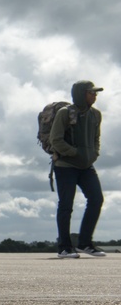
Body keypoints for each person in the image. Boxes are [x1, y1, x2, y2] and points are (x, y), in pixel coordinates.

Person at [50, 80, 107, 258]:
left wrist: (93, 154)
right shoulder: (65, 113)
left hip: (86, 166)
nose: (95, 95)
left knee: (96, 199)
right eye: (91, 92)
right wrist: (74, 153)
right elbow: (55, 139)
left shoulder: (96, 115)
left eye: (96, 93)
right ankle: (64, 247)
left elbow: (96, 138)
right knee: (66, 206)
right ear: (81, 94)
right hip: (65, 166)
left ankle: (85, 243)